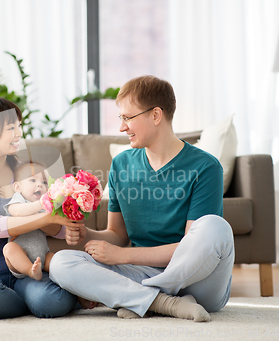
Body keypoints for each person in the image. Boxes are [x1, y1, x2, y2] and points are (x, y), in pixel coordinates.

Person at [49, 75, 235, 322]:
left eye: (128, 118)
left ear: (156, 115)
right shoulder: (121, 164)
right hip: (142, 274)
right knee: (62, 262)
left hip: (199, 284)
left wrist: (122, 256)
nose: (121, 127)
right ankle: (161, 302)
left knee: (216, 227)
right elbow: (118, 235)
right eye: (121, 118)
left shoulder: (205, 167)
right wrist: (86, 234)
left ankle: (140, 297)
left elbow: (191, 249)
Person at [0, 95, 86, 319]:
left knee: (52, 302)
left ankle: (33, 300)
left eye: (19, 126)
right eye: (10, 128)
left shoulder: (27, 170)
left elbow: (54, 219)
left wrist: (63, 220)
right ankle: (32, 303)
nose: (19, 134)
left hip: (29, 273)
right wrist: (47, 219)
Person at [2, 161, 54, 281]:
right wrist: (40, 204)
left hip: (43, 256)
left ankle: (81, 294)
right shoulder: (18, 201)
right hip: (20, 257)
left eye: (44, 182)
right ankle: (31, 271)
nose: (40, 185)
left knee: (60, 262)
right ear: (17, 187)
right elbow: (19, 212)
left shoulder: (44, 206)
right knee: (9, 248)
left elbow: (54, 225)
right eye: (33, 180)